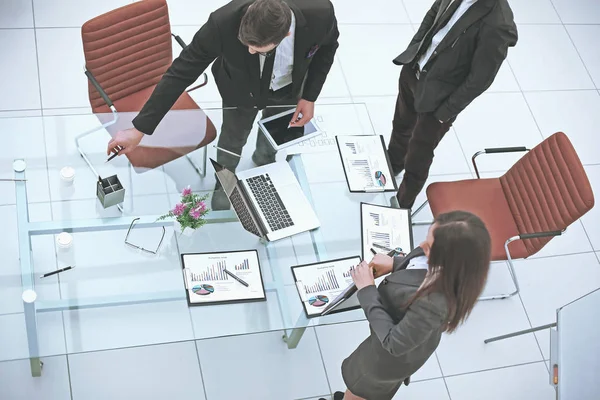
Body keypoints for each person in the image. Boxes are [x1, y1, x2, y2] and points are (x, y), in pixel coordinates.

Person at [105, 0, 339, 209]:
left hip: (290, 91)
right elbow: (181, 72)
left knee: (275, 133)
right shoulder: (222, 22)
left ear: (286, 34)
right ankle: (225, 183)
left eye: (256, 50)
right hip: (239, 91)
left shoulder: (320, 11)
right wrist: (139, 129)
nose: (249, 51)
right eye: (246, 44)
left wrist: (309, 96)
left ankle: (264, 160)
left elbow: (328, 47)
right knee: (231, 141)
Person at [333, 210, 492, 400]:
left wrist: (367, 290)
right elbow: (421, 267)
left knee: (359, 391)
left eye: (430, 247)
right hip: (403, 337)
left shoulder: (435, 302)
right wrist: (396, 263)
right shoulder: (450, 266)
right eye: (427, 237)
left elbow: (394, 343)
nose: (422, 245)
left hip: (386, 359)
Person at [388, 0, 518, 209]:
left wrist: (445, 112)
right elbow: (433, 13)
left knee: (418, 155)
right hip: (414, 71)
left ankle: (403, 203)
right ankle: (393, 164)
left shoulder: (498, 23)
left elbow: (480, 79)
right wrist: (415, 49)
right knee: (401, 124)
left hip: (439, 101)